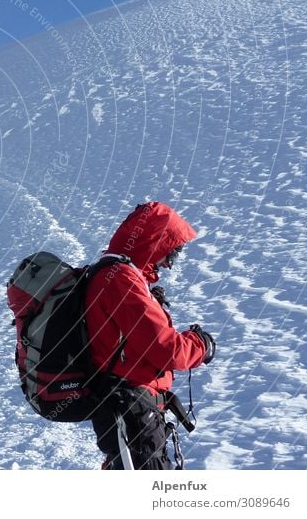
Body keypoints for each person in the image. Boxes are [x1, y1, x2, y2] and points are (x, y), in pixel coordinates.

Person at [85, 201, 216, 469]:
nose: (170, 264)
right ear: (154, 243)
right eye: (172, 252)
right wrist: (200, 345)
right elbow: (166, 350)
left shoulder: (118, 275)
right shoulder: (121, 280)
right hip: (132, 408)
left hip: (128, 407)